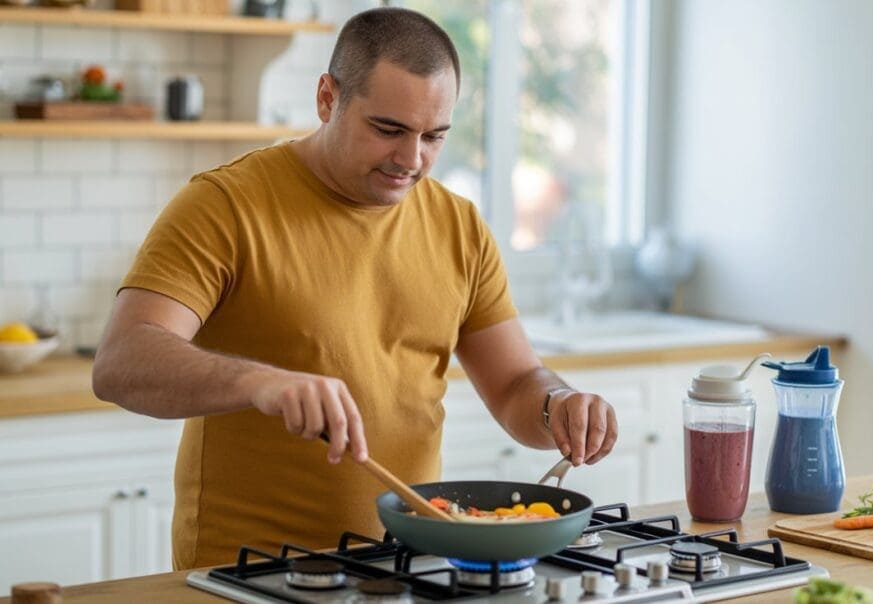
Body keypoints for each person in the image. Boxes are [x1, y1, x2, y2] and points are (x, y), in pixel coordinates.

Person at [92, 7, 618, 570]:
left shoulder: (458, 227)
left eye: (433, 136)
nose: (411, 160)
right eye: (388, 130)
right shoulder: (225, 205)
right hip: (250, 574)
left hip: (407, 565)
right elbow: (121, 362)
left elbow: (515, 384)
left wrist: (556, 405)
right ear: (327, 98)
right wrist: (258, 381)